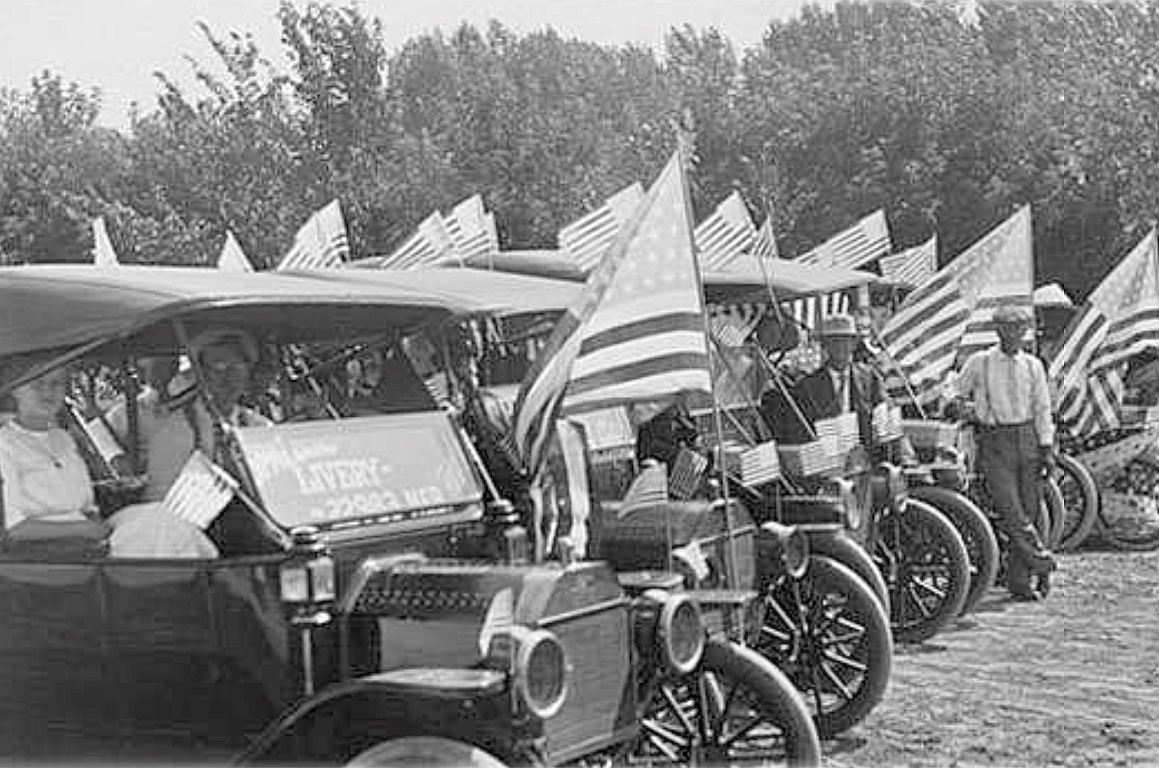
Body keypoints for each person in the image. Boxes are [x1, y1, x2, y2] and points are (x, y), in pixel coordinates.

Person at [955, 303, 1057, 601]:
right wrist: (963, 407)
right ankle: (1042, 561)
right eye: (1006, 328)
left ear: (1025, 332)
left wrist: (1046, 447)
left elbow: (1042, 407)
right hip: (994, 440)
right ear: (997, 330)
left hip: (1028, 438)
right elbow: (955, 391)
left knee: (1029, 510)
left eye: (1018, 329)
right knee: (1011, 509)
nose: (1012, 335)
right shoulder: (981, 362)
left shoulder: (1033, 366)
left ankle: (1020, 581)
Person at [0, 362, 110, 556]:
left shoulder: (64, 439)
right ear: (16, 389)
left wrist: (94, 525)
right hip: (39, 559)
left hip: (89, 548)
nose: (47, 392)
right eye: (37, 384)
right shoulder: (5, 444)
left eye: (56, 383)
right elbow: (12, 528)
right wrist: (83, 529)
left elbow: (87, 506)